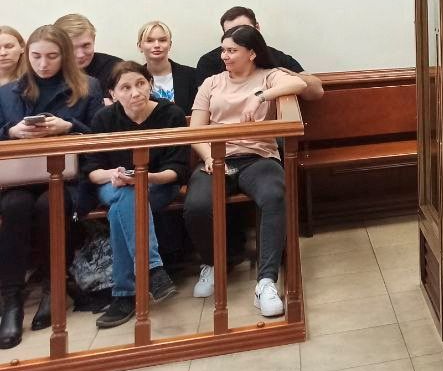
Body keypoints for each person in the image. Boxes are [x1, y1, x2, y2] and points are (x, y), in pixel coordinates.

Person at [184, 25, 307, 317]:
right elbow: (195, 130)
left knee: (274, 196)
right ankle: (213, 263)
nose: (224, 56)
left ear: (251, 53)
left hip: (258, 157)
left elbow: (299, 84)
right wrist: (209, 157)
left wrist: (260, 96)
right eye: (223, 50)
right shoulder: (211, 83)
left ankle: (266, 281)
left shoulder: (268, 75)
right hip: (216, 157)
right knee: (197, 206)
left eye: (232, 51)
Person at [0, 25, 103, 349]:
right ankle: (12, 300)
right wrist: (11, 132)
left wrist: (70, 126)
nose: (43, 64)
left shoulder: (87, 86)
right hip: (20, 175)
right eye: (36, 56)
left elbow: (103, 136)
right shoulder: (9, 91)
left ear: (65, 56)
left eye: (52, 56)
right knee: (14, 206)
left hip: (69, 177)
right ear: (27, 55)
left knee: (50, 204)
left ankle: (53, 286)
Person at [82, 62, 188, 328]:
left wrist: (143, 177)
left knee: (125, 204)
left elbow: (177, 170)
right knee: (127, 195)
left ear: (150, 84)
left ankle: (125, 295)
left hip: (157, 184)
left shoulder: (170, 114)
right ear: (113, 93)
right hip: (113, 183)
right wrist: (115, 174)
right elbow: (92, 171)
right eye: (125, 87)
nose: (135, 92)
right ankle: (153, 270)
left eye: (140, 84)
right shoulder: (103, 119)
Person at [193, 6, 323, 101]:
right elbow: (206, 104)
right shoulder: (209, 62)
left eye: (244, 31)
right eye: (230, 33)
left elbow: (316, 91)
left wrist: (285, 75)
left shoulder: (276, 57)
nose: (238, 38)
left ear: (257, 28)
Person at [136, 20, 199, 114]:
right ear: (140, 46)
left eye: (162, 40)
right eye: (149, 41)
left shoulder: (191, 75)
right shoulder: (133, 79)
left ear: (170, 45)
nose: (157, 45)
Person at [54, 13, 121, 90]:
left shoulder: (116, 69)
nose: (80, 55)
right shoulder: (48, 72)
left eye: (86, 45)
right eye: (71, 48)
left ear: (93, 39)